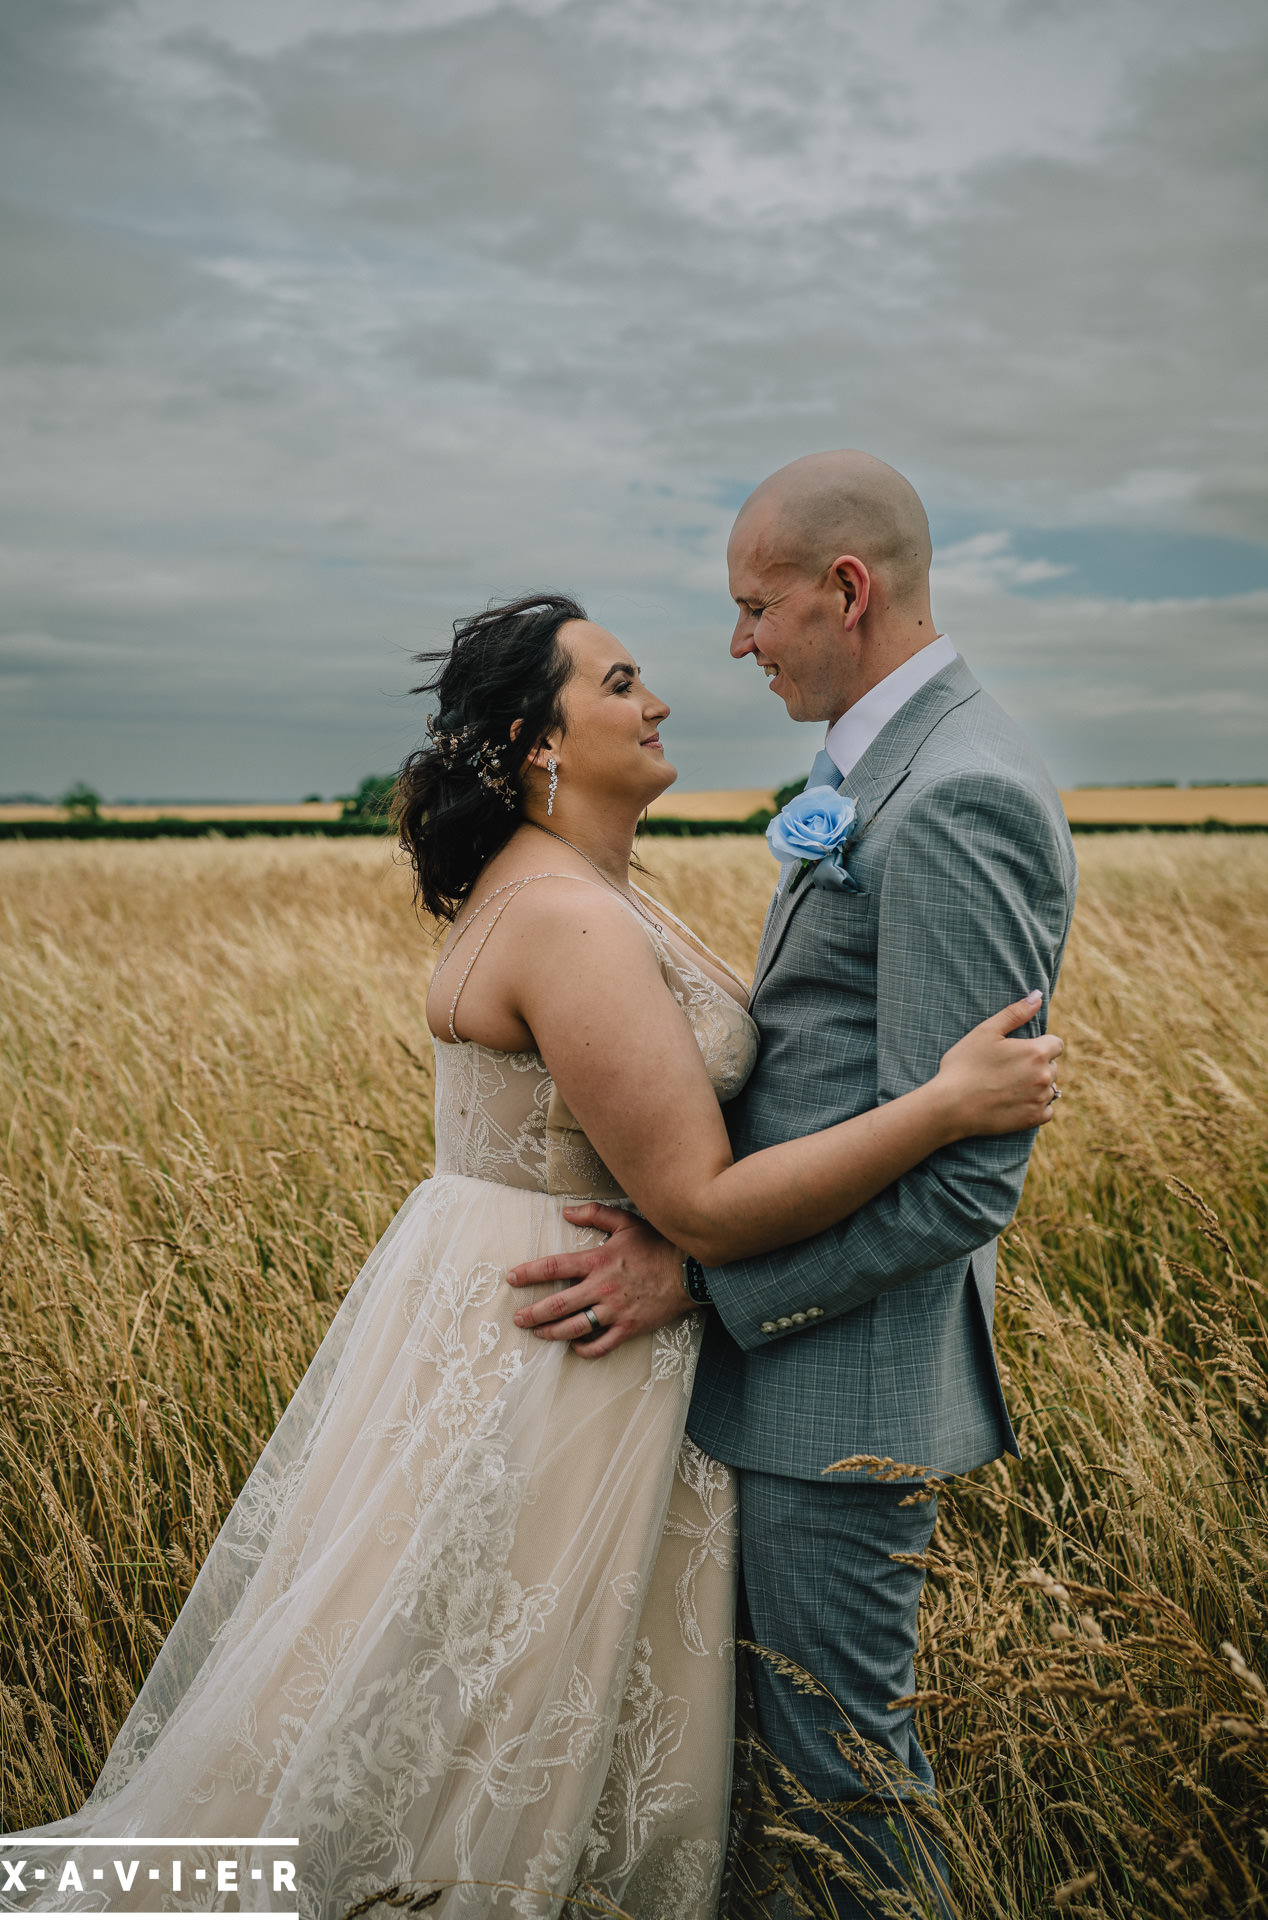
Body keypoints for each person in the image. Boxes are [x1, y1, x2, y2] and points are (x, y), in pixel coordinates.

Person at [0, 590, 1062, 1920]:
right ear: (536, 742)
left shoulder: (579, 889)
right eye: (618, 684)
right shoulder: (565, 916)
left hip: (530, 1309)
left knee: (459, 1699)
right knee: (488, 1718)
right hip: (570, 1346)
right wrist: (945, 1106)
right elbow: (703, 1206)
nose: (658, 700)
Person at [505, 456, 1080, 1919]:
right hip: (791, 1376)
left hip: (845, 1395)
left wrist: (702, 1272)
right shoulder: (875, 767)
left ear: (848, 590)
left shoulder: (955, 793)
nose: (738, 643)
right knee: (778, 1781)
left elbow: (963, 1186)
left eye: (756, 609)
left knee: (842, 1786)